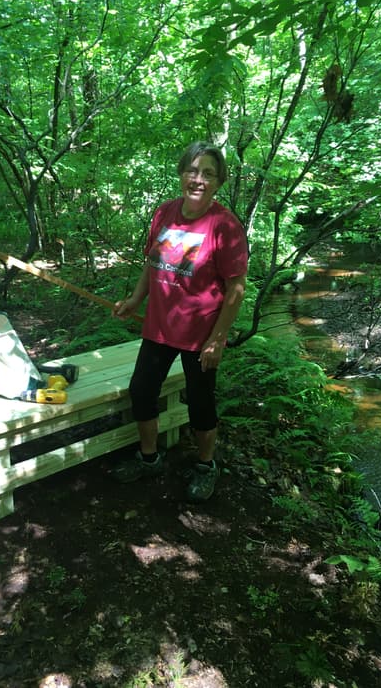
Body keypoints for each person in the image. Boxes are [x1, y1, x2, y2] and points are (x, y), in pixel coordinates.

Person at [111, 141, 248, 502]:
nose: (198, 179)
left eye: (208, 173)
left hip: (200, 333)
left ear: (219, 181)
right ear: (181, 173)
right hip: (159, 326)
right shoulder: (165, 213)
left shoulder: (225, 226)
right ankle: (149, 457)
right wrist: (134, 300)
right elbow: (151, 263)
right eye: (192, 170)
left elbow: (236, 289)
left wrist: (217, 340)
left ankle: (206, 465)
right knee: (141, 391)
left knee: (201, 401)